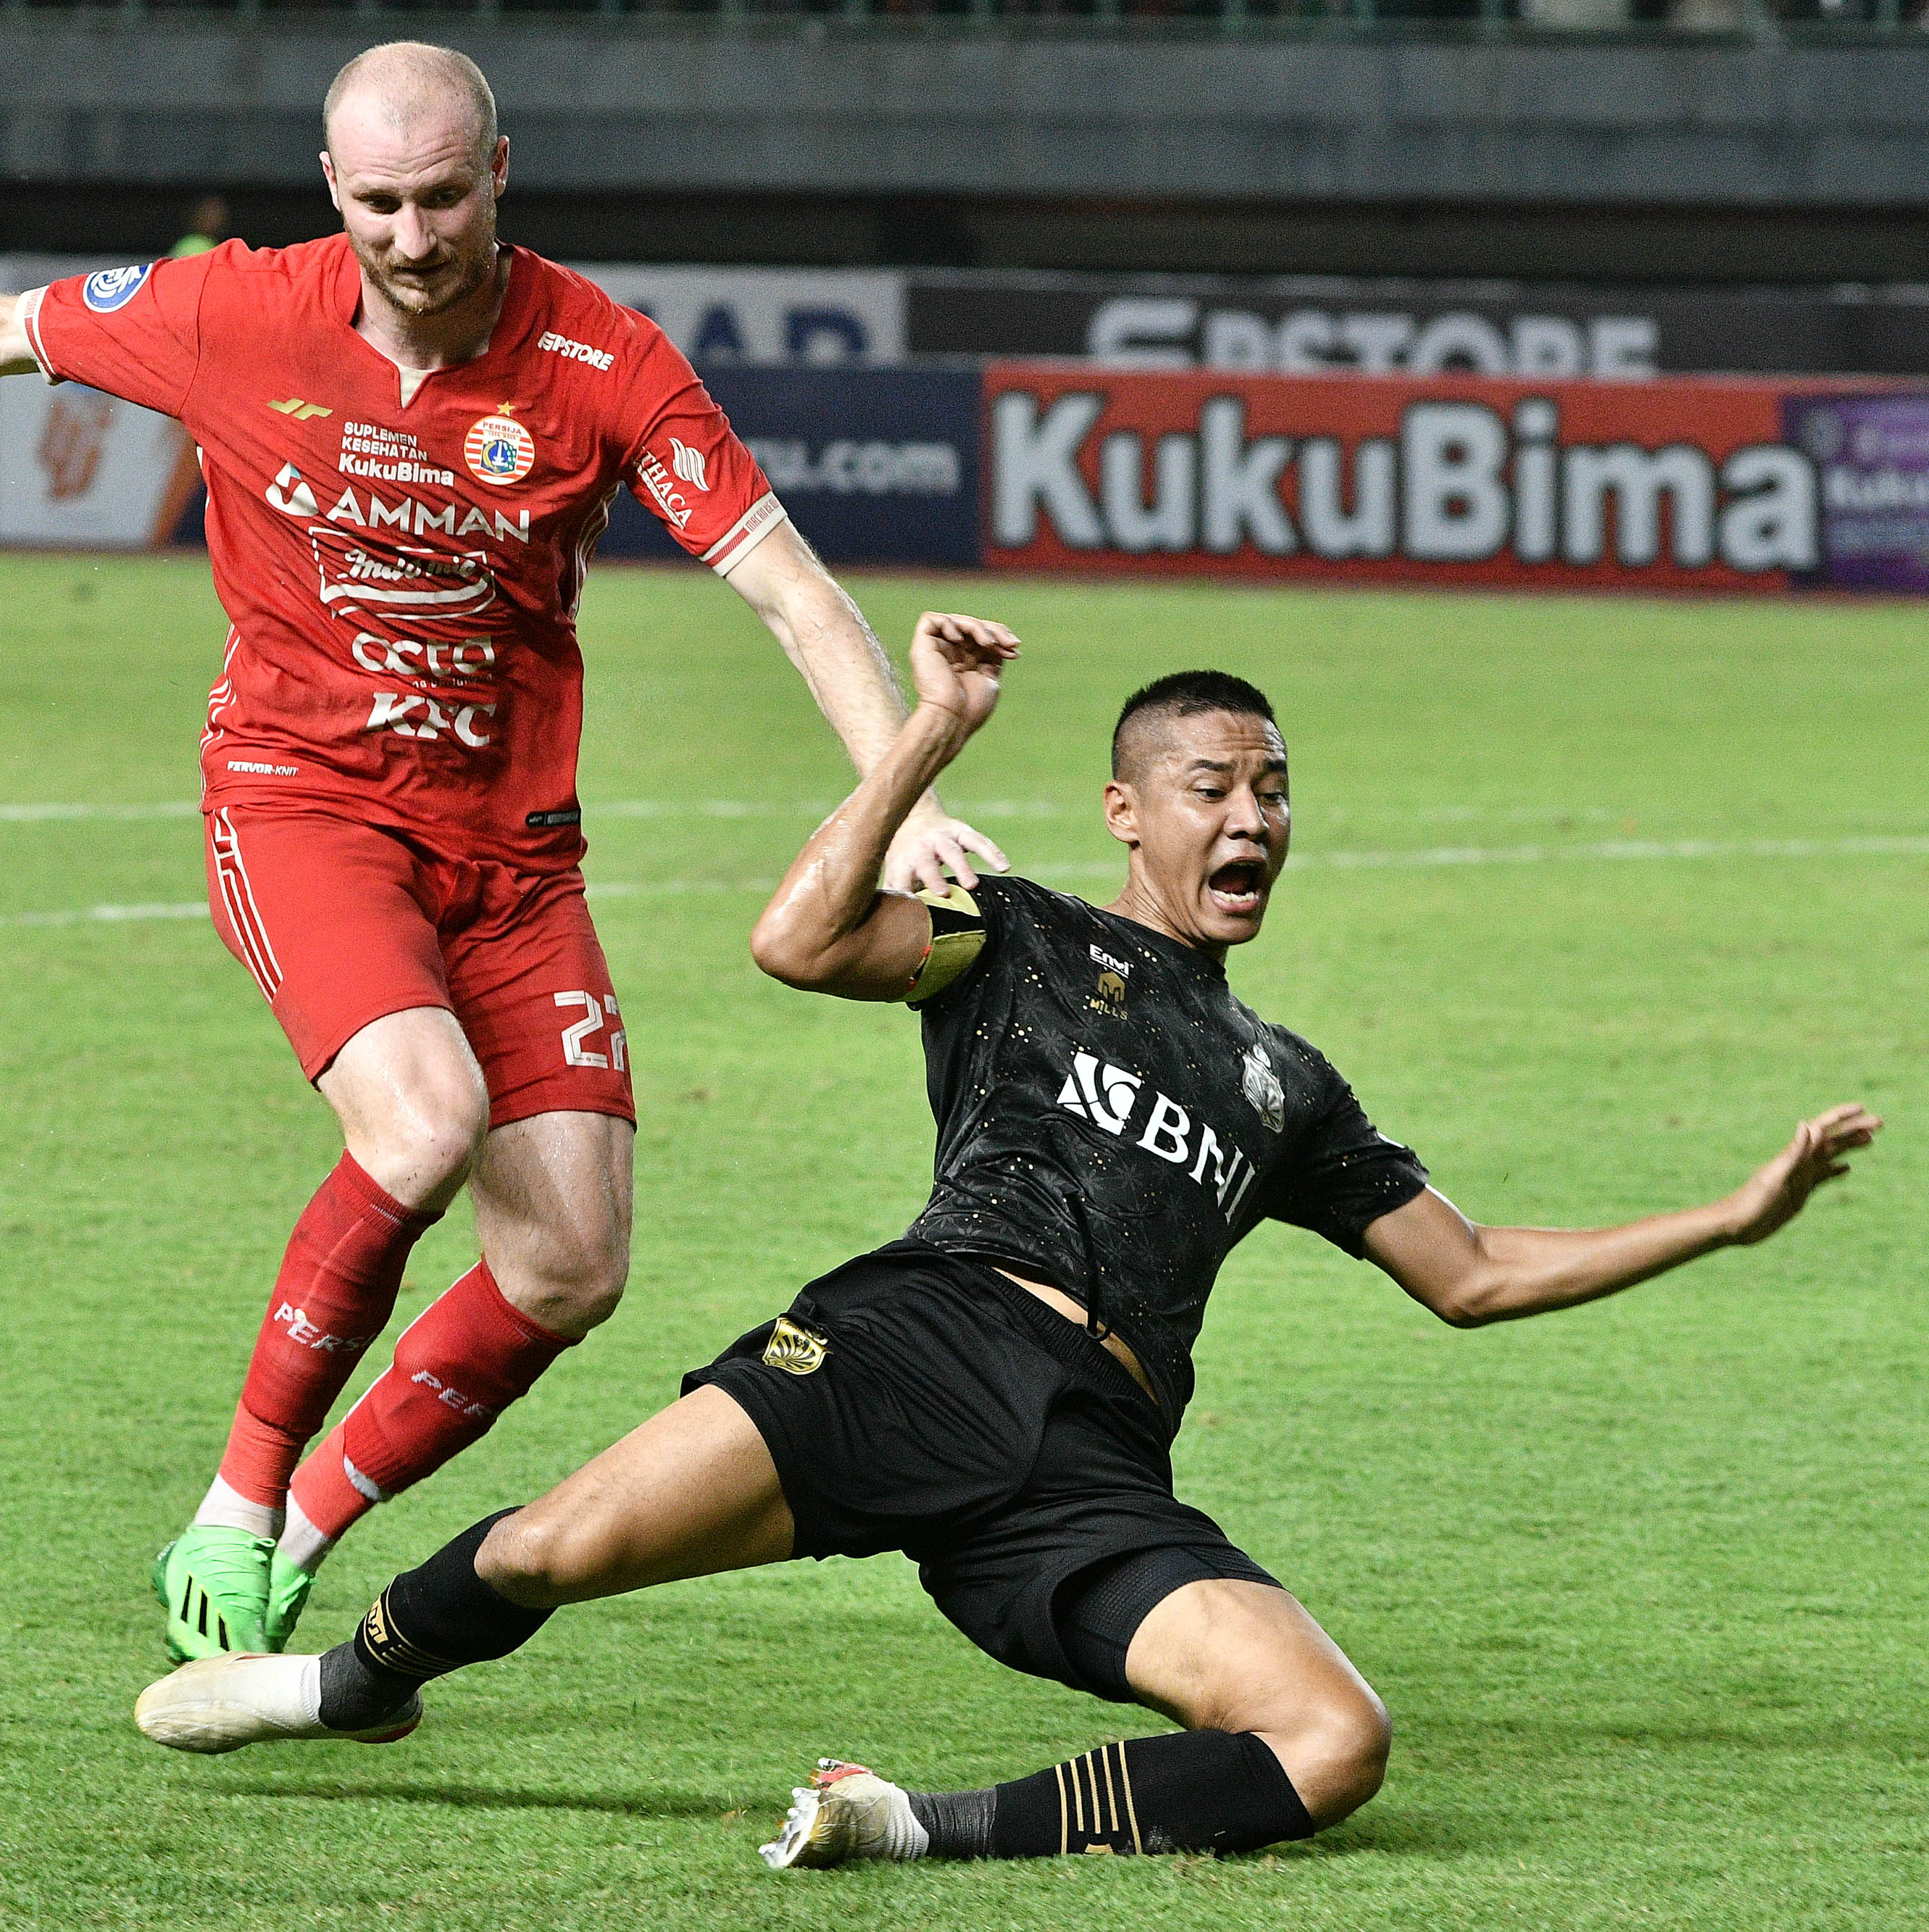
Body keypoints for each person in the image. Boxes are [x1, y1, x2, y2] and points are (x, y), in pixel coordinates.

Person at [0, 41, 1004, 1667]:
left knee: (570, 1263)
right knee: (425, 1120)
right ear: (332, 192)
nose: (412, 234)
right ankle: (233, 1502)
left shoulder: (601, 356)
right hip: (301, 806)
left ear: (497, 173)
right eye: (377, 200)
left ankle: (302, 1535)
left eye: (442, 196)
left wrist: (902, 778)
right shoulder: (234, 307)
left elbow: (788, 584)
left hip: (512, 857)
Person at [128, 620, 1883, 1872]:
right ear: (1129, 810)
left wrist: (1728, 1215)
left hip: (1090, 1464)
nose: (1253, 815)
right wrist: (922, 739)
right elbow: (793, 941)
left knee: (1333, 1739)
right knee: (550, 1546)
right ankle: (339, 1682)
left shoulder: (1288, 1080)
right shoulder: (1019, 936)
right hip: (910, 1343)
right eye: (1212, 784)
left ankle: (910, 1822)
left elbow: (1474, 1267)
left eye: (1272, 787)